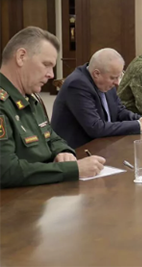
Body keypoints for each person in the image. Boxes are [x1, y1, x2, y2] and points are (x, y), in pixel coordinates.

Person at [0, 27, 105, 188]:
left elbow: (51, 136)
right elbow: (6, 171)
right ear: (21, 57)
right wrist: (72, 169)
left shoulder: (31, 97)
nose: (51, 75)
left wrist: (63, 151)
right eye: (46, 65)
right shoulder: (4, 103)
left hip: (43, 191)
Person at [52, 48, 142, 149]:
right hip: (79, 151)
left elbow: (119, 111)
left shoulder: (105, 82)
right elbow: (95, 128)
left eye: (119, 76)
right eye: (113, 78)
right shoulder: (77, 85)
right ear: (96, 74)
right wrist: (139, 125)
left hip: (104, 144)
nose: (117, 83)